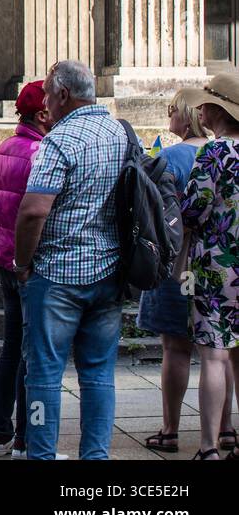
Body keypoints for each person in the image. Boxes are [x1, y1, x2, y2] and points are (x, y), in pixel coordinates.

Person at [14, 60, 126, 460]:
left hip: (57, 274)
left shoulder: (59, 141)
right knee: (98, 374)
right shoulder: (121, 133)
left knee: (43, 373)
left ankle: (41, 453)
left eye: (47, 93)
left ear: (62, 95)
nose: (45, 101)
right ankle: (95, 456)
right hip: (110, 270)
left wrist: (21, 262)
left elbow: (32, 211)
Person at [140, 89, 234, 455]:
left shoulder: (184, 155)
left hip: (191, 264)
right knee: (225, 351)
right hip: (225, 266)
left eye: (171, 111)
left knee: (182, 349)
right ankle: (227, 430)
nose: (169, 118)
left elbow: (179, 213)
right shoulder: (222, 151)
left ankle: (176, 431)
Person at [0, 80, 48, 457]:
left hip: (2, 256)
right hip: (26, 261)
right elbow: (36, 211)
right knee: (30, 353)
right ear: (42, 114)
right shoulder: (39, 151)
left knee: (11, 347)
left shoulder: (6, 146)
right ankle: (24, 438)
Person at [177, 73, 239, 460]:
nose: (201, 109)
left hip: (216, 265)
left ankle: (209, 447)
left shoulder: (215, 154)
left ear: (218, 110)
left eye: (205, 103)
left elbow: (193, 210)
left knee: (214, 356)